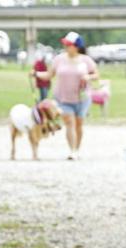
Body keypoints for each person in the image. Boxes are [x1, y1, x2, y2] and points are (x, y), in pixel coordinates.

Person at [33, 32, 99, 160]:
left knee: (79, 124)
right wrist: (36, 74)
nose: (66, 47)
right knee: (69, 122)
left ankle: (77, 149)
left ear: (77, 46)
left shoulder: (86, 60)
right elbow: (49, 75)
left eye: (69, 45)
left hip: (82, 98)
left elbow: (96, 75)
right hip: (62, 98)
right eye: (65, 45)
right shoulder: (59, 59)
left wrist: (88, 76)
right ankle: (72, 151)